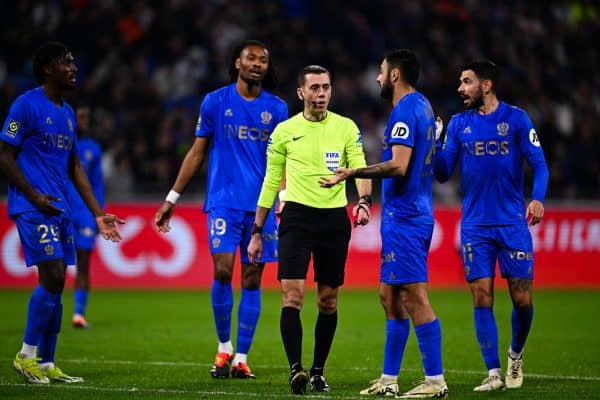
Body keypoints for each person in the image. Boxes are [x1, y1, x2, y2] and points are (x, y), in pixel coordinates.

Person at [154, 39, 288, 379]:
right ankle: (224, 346)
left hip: (261, 205)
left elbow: (284, 159)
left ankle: (242, 357)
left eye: (264, 60)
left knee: (253, 276)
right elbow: (197, 152)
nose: (258, 64)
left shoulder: (278, 108)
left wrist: (283, 197)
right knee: (224, 270)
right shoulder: (215, 101)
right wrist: (172, 197)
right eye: (251, 58)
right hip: (224, 201)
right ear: (237, 64)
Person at [320, 49, 448, 399]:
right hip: (406, 215)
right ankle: (389, 380)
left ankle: (435, 381)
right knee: (388, 296)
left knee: (414, 296)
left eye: (380, 71)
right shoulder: (422, 105)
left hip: (407, 217)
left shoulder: (405, 111)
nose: (377, 78)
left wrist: (354, 171)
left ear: (394, 74)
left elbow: (399, 165)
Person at [0, 41, 123, 384]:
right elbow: (4, 155)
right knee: (53, 276)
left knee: (55, 284)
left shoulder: (68, 114)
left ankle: (47, 362)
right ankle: (26, 356)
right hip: (33, 206)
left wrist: (98, 214)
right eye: (66, 63)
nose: (74, 68)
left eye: (73, 62)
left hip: (61, 208)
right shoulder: (25, 105)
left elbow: (74, 168)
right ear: (47, 68)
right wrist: (33, 195)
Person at [248, 64, 372, 395]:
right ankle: (296, 370)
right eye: (314, 88)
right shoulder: (284, 131)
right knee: (293, 295)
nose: (321, 94)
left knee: (328, 301)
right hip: (296, 218)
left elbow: (359, 166)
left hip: (333, 219)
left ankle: (318, 371)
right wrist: (257, 229)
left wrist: (364, 202)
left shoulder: (346, 128)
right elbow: (271, 180)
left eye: (326, 88)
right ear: (302, 93)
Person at [434, 60, 549, 391]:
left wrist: (537, 198)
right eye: (460, 82)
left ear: (486, 85)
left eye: (466, 82)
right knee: (481, 296)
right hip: (474, 226)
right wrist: (437, 141)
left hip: (512, 223)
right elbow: (443, 172)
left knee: (522, 299)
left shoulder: (516, 118)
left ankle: (515, 354)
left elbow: (539, 164)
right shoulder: (458, 124)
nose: (460, 88)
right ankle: (494, 372)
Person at [67, 103, 105, 328]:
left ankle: (78, 313)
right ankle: (50, 312)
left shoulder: (93, 149)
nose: (84, 121)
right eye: (81, 116)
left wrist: (98, 214)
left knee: (83, 262)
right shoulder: (59, 143)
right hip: (60, 209)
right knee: (56, 265)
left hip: (84, 214)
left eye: (86, 117)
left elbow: (98, 185)